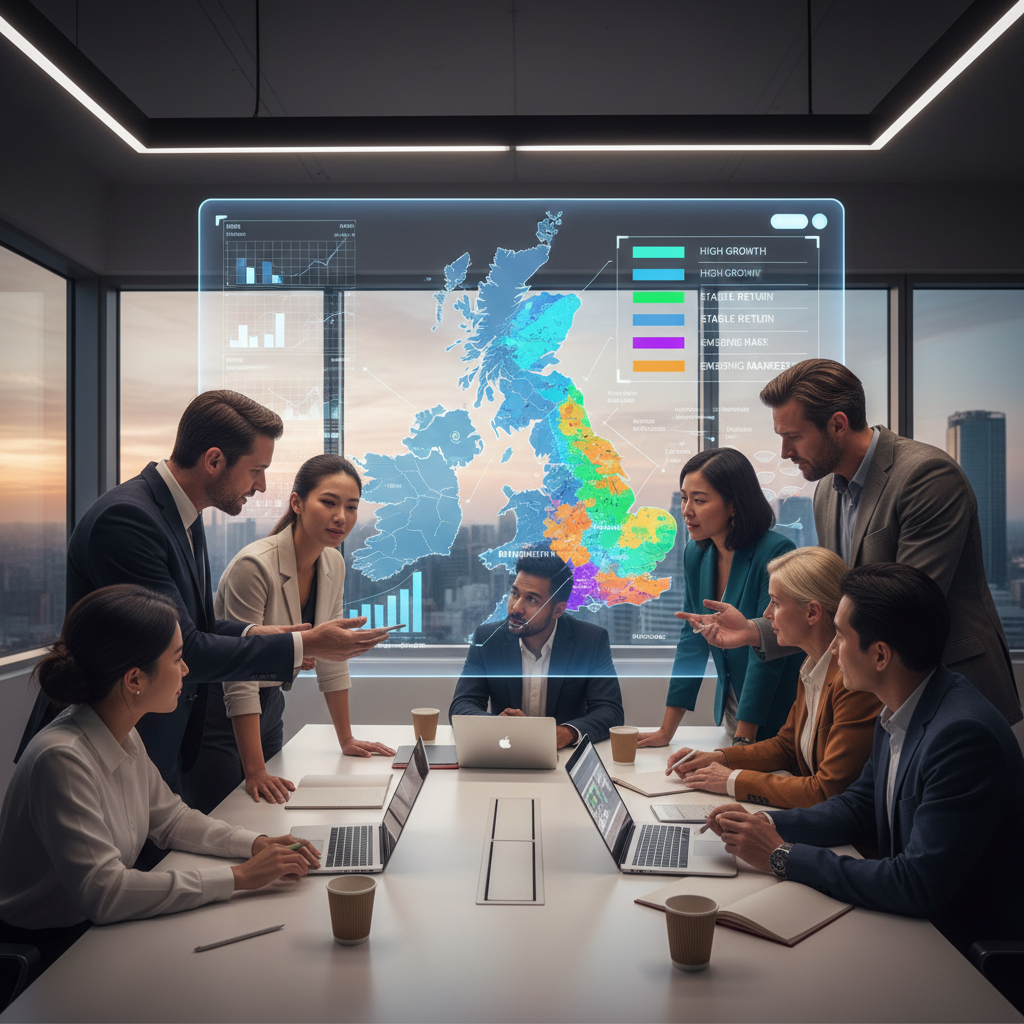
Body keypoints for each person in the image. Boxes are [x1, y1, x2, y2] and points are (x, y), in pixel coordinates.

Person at [16, 390, 391, 804]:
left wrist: (256, 633)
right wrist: (305, 643)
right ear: (213, 461)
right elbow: (181, 647)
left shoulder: (183, 517)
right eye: (256, 471)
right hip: (101, 744)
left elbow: (192, 626)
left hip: (151, 738)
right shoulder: (127, 520)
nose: (261, 485)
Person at [704, 563, 1024, 954]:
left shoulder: (962, 737)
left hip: (959, 950)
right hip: (910, 925)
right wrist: (765, 823)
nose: (832, 648)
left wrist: (781, 855)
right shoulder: (899, 706)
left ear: (880, 655)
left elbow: (916, 884)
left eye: (840, 635)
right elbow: (857, 807)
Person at [681, 359, 1021, 725]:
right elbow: (835, 602)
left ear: (838, 424)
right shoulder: (827, 492)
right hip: (882, 696)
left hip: (950, 693)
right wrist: (754, 631)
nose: (785, 452)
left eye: (794, 437)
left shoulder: (926, 476)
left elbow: (907, 608)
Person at [0, 585, 321, 973]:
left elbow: (171, 820)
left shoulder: (120, 732)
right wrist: (240, 877)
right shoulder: (61, 759)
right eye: (178, 658)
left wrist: (254, 843)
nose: (186, 670)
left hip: (93, 933)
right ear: (135, 680)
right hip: (48, 954)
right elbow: (106, 894)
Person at [187, 455, 396, 809]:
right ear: (297, 503)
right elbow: (240, 675)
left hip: (270, 709)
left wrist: (346, 739)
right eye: (328, 502)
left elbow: (332, 656)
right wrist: (255, 770)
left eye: (351, 507)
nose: (341, 517)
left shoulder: (333, 562)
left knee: (272, 814)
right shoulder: (254, 566)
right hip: (220, 713)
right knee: (229, 816)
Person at [665, 546, 881, 809]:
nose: (766, 614)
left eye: (776, 603)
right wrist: (719, 758)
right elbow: (786, 747)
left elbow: (827, 791)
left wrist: (732, 780)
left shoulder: (853, 683)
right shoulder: (812, 664)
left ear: (812, 613)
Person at [638, 448, 803, 749]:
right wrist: (665, 731)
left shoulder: (775, 552)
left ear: (733, 505)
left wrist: (744, 740)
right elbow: (692, 639)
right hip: (732, 707)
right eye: (684, 498)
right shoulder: (696, 553)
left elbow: (767, 649)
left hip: (775, 712)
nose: (687, 510)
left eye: (699, 500)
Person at [449, 554, 623, 747]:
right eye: (515, 594)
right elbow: (462, 705)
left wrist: (565, 733)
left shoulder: (590, 640)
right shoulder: (488, 639)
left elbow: (610, 711)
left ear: (558, 610)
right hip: (506, 750)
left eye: (531, 599)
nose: (516, 608)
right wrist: (498, 725)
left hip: (563, 755)